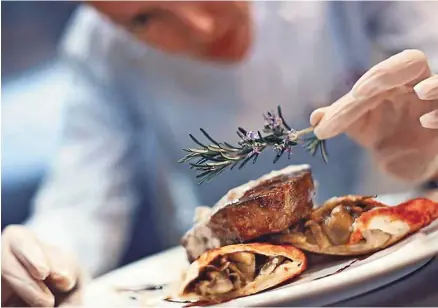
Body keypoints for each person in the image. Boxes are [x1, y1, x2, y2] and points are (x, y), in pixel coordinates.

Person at [2, 1, 438, 306]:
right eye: (144, 19)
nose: (201, 27)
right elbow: (84, 202)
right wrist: (45, 257)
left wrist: (429, 146)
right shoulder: (100, 48)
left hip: (408, 265)